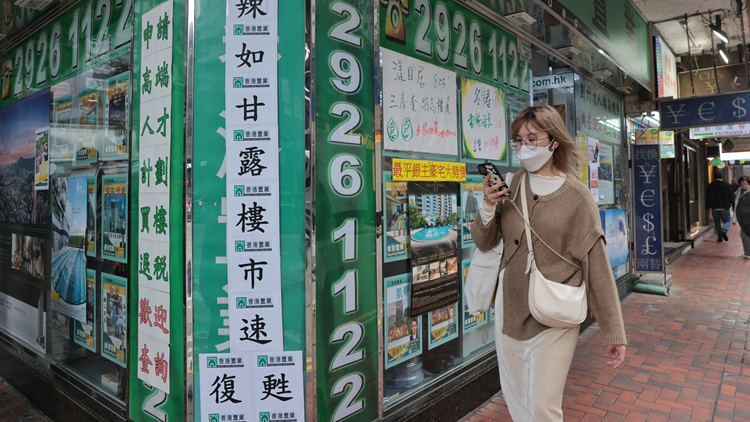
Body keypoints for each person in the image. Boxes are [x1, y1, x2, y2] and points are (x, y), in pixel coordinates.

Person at [470, 105, 626, 421]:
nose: (523, 147)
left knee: (542, 406)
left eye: (532, 138)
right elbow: (485, 242)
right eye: (518, 140)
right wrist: (487, 206)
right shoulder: (511, 185)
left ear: (553, 141)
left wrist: (614, 332)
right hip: (510, 309)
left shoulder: (578, 197)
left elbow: (597, 267)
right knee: (517, 401)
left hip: (555, 313)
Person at [706, 170, 735, 242]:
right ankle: (724, 231)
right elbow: (731, 196)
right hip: (724, 207)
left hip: (714, 208)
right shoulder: (726, 184)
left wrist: (707, 207)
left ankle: (720, 238)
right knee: (727, 221)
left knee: (717, 223)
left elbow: (707, 197)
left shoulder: (710, 185)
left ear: (713, 177)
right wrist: (733, 205)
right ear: (721, 177)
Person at [732, 177, 750, 258]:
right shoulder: (739, 192)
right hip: (743, 218)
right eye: (742, 184)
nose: (744, 186)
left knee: (745, 234)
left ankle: (748, 253)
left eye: (745, 184)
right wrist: (734, 218)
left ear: (748, 184)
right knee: (744, 234)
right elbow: (736, 206)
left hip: (748, 218)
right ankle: (747, 253)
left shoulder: (748, 193)